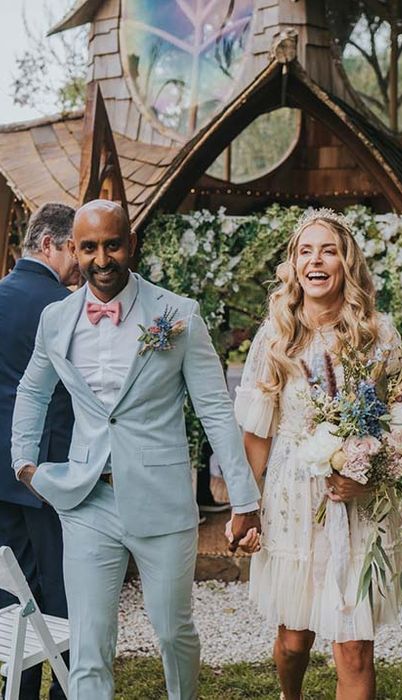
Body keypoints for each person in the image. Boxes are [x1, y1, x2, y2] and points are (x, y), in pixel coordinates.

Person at [11, 199, 262, 700]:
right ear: (73, 250)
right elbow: (33, 391)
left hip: (162, 500)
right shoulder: (56, 320)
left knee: (173, 633)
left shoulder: (178, 315)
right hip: (86, 501)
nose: (101, 259)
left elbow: (214, 409)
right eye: (88, 248)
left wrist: (245, 500)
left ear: (131, 244)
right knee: (87, 647)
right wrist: (24, 461)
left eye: (112, 244)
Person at [232, 209, 402, 700]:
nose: (316, 260)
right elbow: (258, 433)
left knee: (353, 649)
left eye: (328, 250)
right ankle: (292, 696)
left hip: (358, 502)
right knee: (294, 639)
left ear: (345, 262)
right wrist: (246, 509)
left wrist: (368, 475)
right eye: (305, 251)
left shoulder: (378, 333)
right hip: (293, 501)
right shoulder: (277, 334)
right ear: (294, 265)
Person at [0, 203, 79, 700]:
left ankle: (17, 690)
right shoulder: (64, 308)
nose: (80, 261)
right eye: (75, 247)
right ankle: (68, 691)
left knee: (12, 590)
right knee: (65, 591)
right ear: (49, 244)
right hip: (49, 473)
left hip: (0, 476)